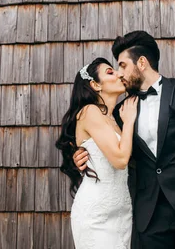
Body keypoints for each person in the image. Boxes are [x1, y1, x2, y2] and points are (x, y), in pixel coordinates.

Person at [74, 31, 175, 249]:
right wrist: (82, 155)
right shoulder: (121, 112)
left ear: (141, 62)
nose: (120, 73)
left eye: (122, 65)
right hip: (150, 218)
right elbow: (106, 144)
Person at [55, 57, 139, 249]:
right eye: (110, 72)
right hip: (96, 215)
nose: (119, 74)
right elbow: (119, 160)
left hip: (122, 213)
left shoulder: (115, 117)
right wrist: (130, 122)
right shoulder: (89, 111)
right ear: (95, 84)